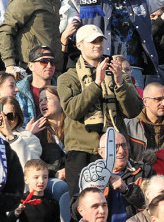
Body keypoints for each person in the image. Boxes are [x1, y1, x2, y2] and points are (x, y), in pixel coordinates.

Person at [58, 25, 143, 195]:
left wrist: (119, 83)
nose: (97, 45)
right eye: (92, 42)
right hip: (82, 150)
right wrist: (96, 84)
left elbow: (133, 111)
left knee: (112, 201)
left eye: (99, 41)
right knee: (81, 200)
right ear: (79, 45)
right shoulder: (68, 77)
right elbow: (73, 110)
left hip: (113, 148)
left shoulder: (118, 72)